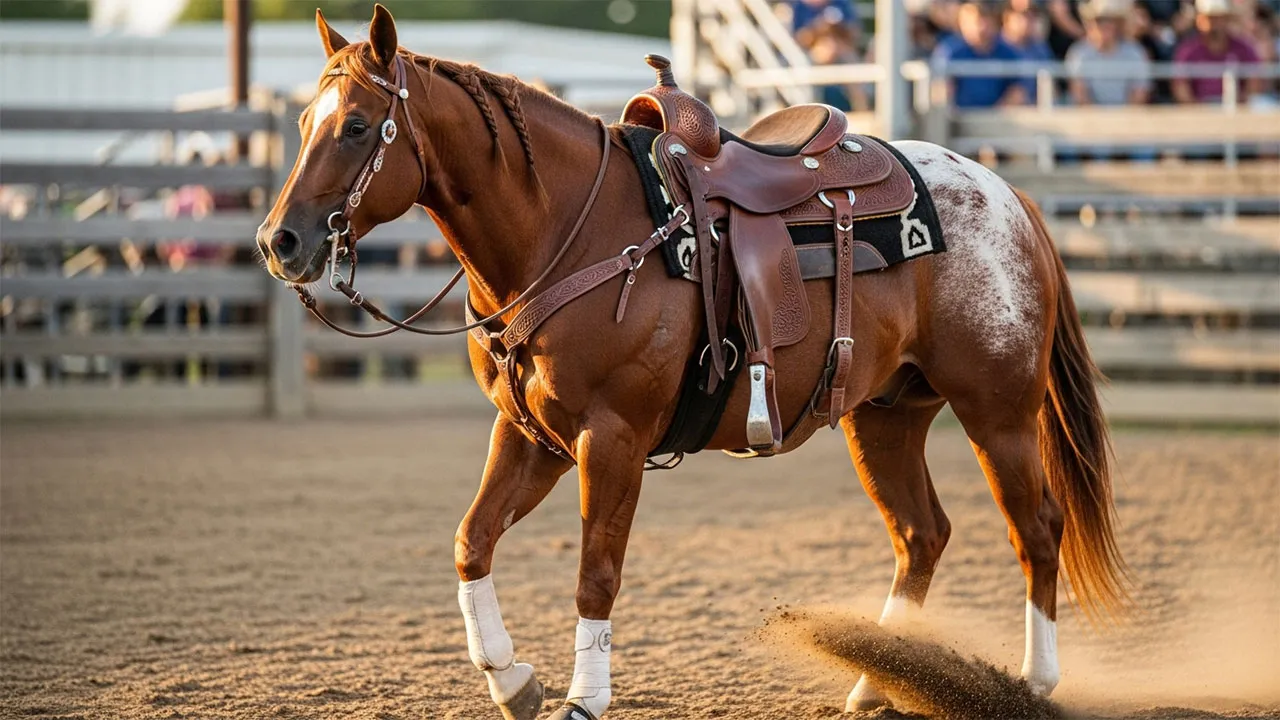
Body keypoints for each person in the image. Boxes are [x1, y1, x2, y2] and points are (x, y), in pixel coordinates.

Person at [931, 1, 1030, 107]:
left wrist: (996, 113)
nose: (981, 27)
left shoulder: (1008, 52)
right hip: (959, 115)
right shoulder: (949, 51)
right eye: (974, 21)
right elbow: (939, 91)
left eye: (986, 20)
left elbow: (1019, 90)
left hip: (998, 115)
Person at [1171, 0, 1263, 104]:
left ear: (1227, 19)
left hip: (1236, 108)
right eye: (1210, 18)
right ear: (1199, 20)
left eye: (1220, 18)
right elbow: (1181, 88)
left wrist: (1240, 104)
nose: (1215, 23)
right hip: (1199, 110)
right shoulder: (1187, 50)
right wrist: (1199, 109)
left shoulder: (1243, 48)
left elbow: (1254, 83)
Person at [1065, 0, 1153, 106]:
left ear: (1117, 24)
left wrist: (1124, 115)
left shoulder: (1135, 52)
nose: (1105, 25)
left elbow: (1139, 95)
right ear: (1090, 24)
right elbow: (1080, 96)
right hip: (1090, 116)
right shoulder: (1078, 53)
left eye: (1110, 20)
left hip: (1127, 115)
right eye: (1099, 20)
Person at [1002, 0, 1056, 102]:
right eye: (1022, 16)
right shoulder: (994, 46)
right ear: (1007, 18)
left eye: (1031, 16)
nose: (1027, 21)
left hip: (1034, 108)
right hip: (999, 109)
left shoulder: (1040, 47)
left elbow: (1051, 85)